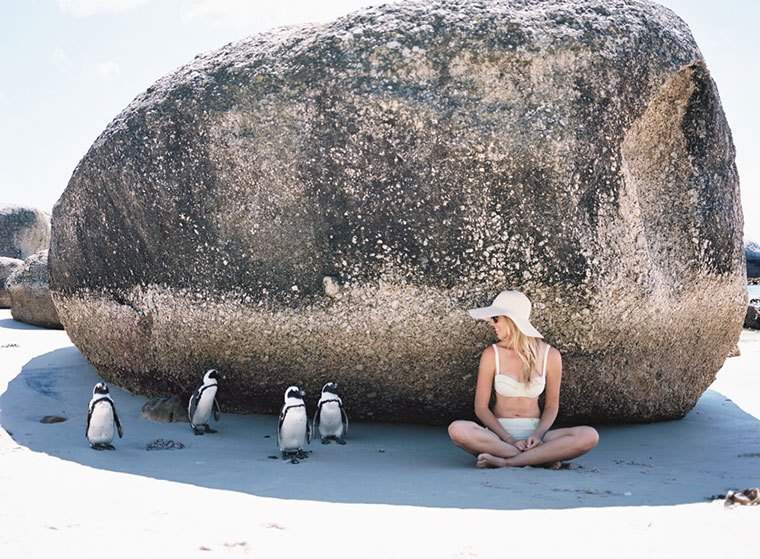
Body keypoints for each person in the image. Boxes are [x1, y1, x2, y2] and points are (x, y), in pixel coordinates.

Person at [448, 290, 599, 468]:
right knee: (457, 429)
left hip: (536, 433)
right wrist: (509, 440)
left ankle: (506, 462)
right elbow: (481, 408)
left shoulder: (551, 355)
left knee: (589, 436)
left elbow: (551, 406)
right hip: (498, 436)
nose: (491, 323)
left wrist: (537, 435)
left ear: (511, 320)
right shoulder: (491, 354)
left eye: (496, 318)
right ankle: (539, 458)